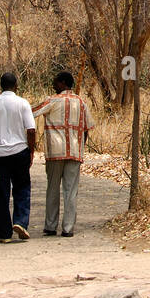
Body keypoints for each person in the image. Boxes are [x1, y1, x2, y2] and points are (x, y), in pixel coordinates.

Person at [32, 71, 95, 237]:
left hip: (55, 152)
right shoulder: (81, 103)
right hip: (75, 152)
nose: (53, 85)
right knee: (71, 191)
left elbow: (32, 112)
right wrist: (80, 145)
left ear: (62, 83)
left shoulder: (52, 100)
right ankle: (68, 228)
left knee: (52, 189)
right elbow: (87, 128)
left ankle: (50, 226)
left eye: (55, 82)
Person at [0, 72, 36, 242]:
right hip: (19, 150)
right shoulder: (22, 103)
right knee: (22, 188)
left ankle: (4, 233)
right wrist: (31, 150)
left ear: (1, 85)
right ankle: (21, 221)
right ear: (16, 86)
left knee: (1, 193)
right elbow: (31, 129)